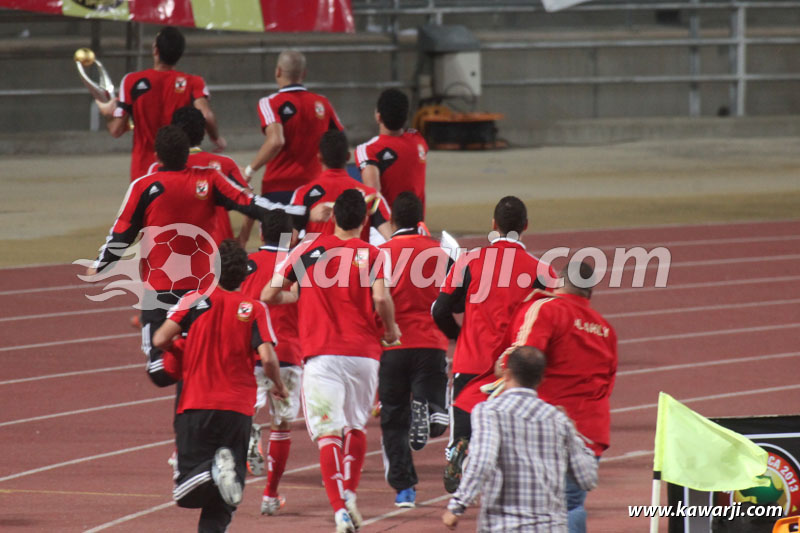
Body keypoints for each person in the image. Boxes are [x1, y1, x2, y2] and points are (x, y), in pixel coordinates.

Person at [88, 125, 303, 388]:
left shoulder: (146, 185)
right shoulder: (209, 179)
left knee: (158, 371)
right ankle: (189, 356)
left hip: (168, 290)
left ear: (156, 155)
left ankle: (186, 360)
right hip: (198, 290)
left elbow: (122, 232)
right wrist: (293, 216)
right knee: (200, 358)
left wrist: (101, 265)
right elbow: (251, 203)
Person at [262, 189, 401, 533]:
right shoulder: (374, 254)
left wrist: (294, 294)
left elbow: (267, 293)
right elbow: (381, 299)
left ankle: (339, 510)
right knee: (355, 426)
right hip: (364, 355)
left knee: (328, 434)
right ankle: (350, 494)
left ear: (334, 217)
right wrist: (392, 331)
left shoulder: (307, 249)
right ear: (365, 221)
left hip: (322, 356)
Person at [152, 239, 287, 533]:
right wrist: (278, 385)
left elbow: (160, 339)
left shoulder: (194, 301)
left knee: (186, 491)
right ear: (245, 275)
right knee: (225, 501)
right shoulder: (254, 309)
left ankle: (213, 474)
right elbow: (268, 357)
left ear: (213, 271)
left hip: (196, 405)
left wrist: (181, 351)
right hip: (238, 411)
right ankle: (218, 476)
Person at [431, 195, 556, 493]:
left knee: (464, 426)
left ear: (493, 225)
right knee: (509, 436)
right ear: (525, 226)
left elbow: (439, 309)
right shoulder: (542, 271)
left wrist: (457, 336)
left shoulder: (470, 261)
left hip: (469, 362)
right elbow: (553, 318)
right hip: (514, 368)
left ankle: (462, 449)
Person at [495, 261, 618, 533]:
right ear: (589, 292)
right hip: (589, 432)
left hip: (547, 428)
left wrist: (502, 363)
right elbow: (607, 384)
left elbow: (525, 360)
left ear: (559, 283)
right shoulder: (606, 330)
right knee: (572, 505)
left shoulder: (547, 310)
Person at [441, 346, 599, 532]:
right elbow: (587, 478)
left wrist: (457, 506)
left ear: (506, 374)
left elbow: (483, 460)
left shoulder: (489, 412)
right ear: (541, 379)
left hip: (504, 526)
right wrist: (574, 436)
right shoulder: (558, 420)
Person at [377, 192, 451, 508]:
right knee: (431, 398)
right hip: (431, 342)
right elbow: (456, 295)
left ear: (392, 220)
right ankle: (433, 410)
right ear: (421, 219)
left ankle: (404, 489)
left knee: (393, 418)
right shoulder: (439, 251)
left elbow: (374, 299)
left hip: (391, 345)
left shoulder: (379, 252)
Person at [96, 26, 225, 181]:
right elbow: (206, 115)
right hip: (180, 169)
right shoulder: (194, 82)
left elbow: (116, 130)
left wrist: (106, 113)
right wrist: (216, 138)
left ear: (155, 50)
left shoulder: (131, 81)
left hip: (143, 172)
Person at [239, 209, 302, 516]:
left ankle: (248, 431)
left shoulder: (246, 264)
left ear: (261, 234)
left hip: (247, 353)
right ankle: (269, 495)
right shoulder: (299, 265)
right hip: (287, 353)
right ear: (291, 237)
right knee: (282, 424)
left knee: (242, 412)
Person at [245, 49, 344, 203]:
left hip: (278, 189)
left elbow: (276, 141)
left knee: (279, 228)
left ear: (278, 71)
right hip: (316, 188)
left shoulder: (270, 103)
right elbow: (339, 142)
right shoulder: (323, 103)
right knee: (314, 228)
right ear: (303, 73)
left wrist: (250, 170)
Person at [154, 106, 250, 246]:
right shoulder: (225, 164)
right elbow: (249, 200)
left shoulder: (160, 167)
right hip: (220, 250)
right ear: (203, 132)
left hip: (175, 249)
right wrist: (243, 238)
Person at [291, 130, 392, 244]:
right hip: (358, 261)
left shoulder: (302, 194)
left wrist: (307, 218)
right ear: (348, 156)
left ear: (319, 158)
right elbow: (392, 238)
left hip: (318, 260)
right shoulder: (371, 195)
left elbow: (286, 243)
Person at [355, 89, 429, 211]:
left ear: (378, 117)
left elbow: (373, 195)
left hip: (386, 227)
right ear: (406, 117)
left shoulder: (368, 150)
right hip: (418, 226)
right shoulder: (419, 140)